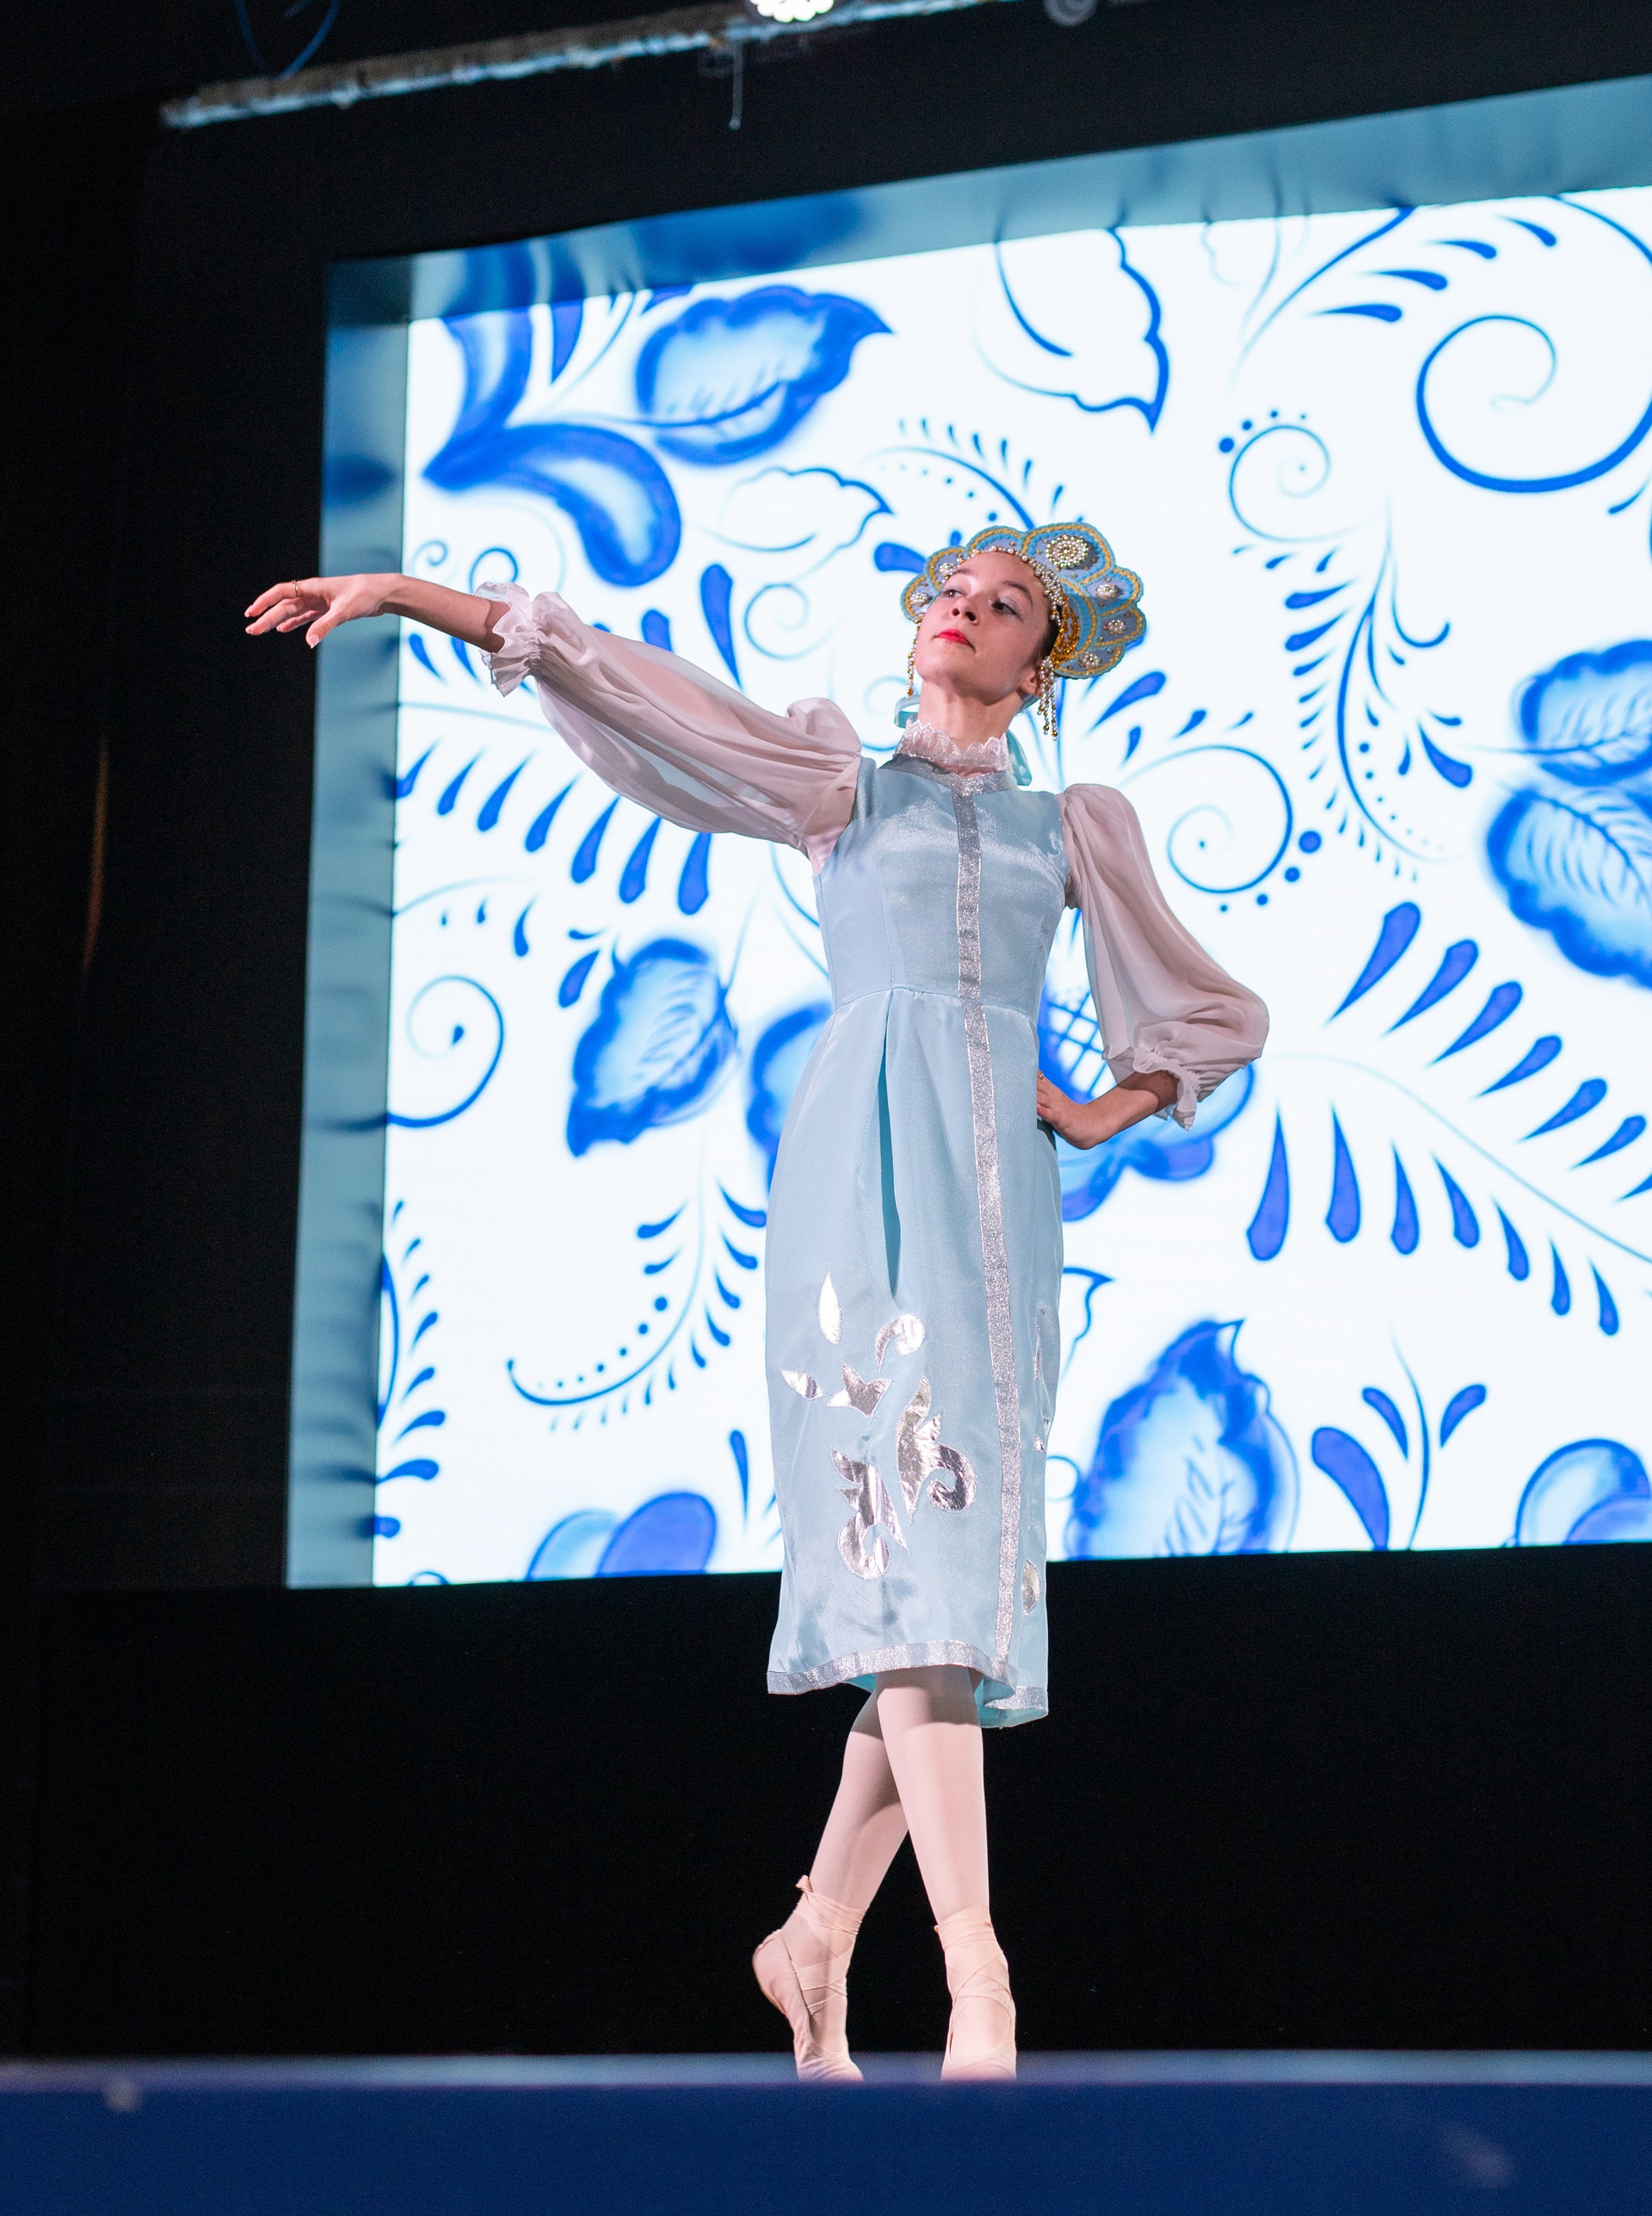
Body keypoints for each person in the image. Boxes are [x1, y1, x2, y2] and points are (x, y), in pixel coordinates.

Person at [247, 519, 1266, 2082]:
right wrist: (405, 595)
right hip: (861, 1189)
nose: (964, 611)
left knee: (948, 1589)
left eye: (1003, 607)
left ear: (1041, 663)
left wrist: (1095, 1110)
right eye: (951, 592)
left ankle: (814, 1937)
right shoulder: (841, 781)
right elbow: (630, 686)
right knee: (921, 1570)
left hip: (1001, 1213)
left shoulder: (1073, 826)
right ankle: (979, 1978)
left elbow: (1204, 1008)